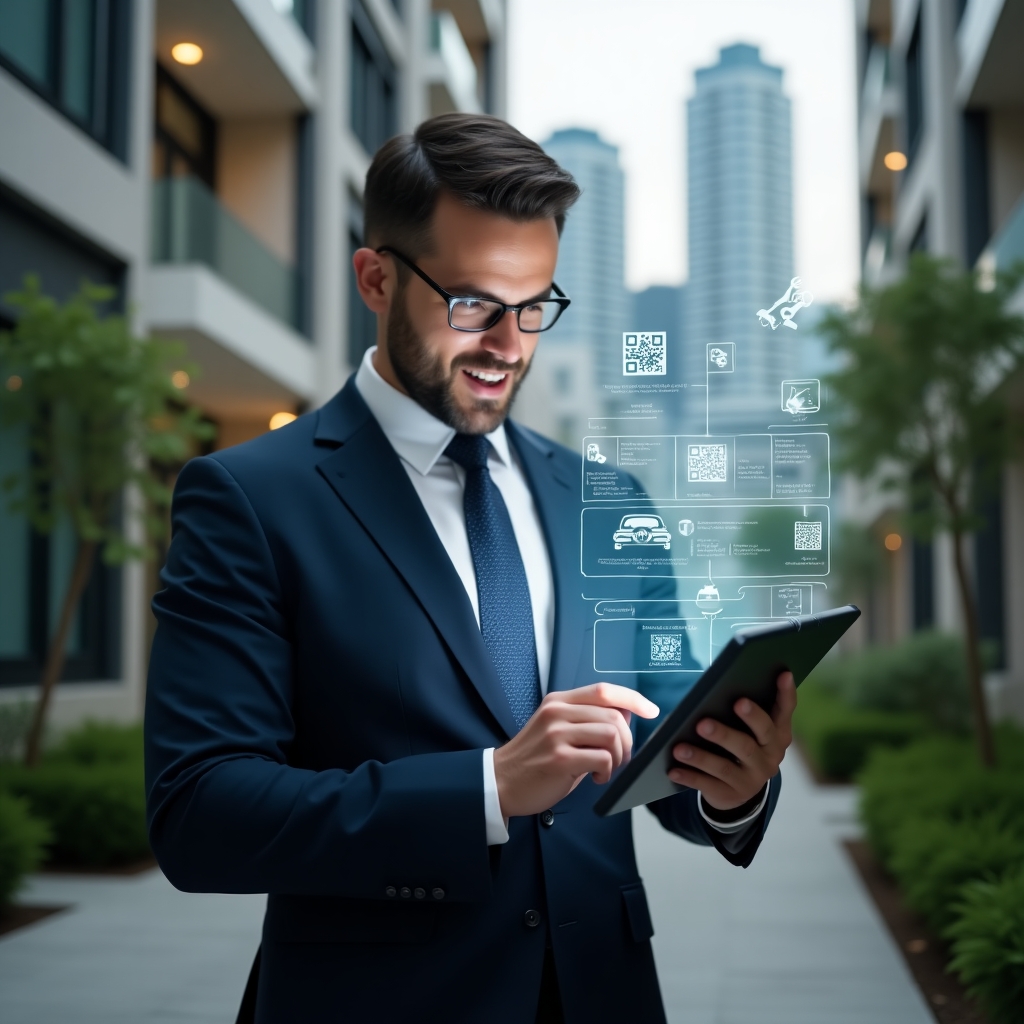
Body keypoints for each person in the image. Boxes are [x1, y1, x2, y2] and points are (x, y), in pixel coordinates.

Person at [144, 113, 795, 1024]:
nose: (511, 345)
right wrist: (486, 789)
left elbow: (664, 749)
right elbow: (201, 814)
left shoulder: (608, 501)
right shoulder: (250, 497)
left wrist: (732, 783)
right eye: (474, 305)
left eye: (535, 307)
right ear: (375, 277)